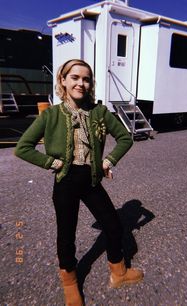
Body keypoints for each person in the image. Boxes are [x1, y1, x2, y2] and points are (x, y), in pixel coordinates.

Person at [15, 59, 143, 306]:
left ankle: (119, 273)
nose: (81, 83)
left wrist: (108, 161)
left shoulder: (100, 112)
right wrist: (52, 163)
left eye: (86, 79)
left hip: (92, 180)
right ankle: (70, 282)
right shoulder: (51, 115)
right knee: (66, 236)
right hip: (65, 182)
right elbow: (22, 148)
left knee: (114, 227)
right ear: (63, 80)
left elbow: (125, 138)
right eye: (74, 77)